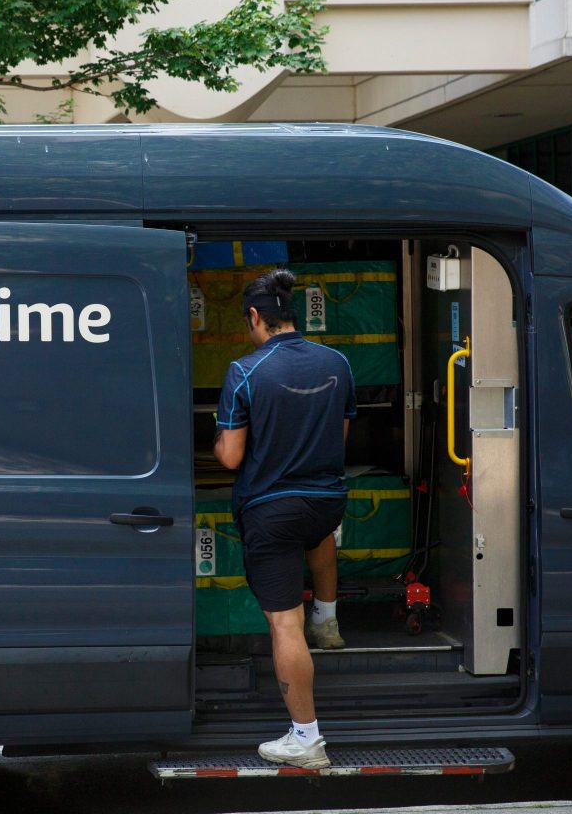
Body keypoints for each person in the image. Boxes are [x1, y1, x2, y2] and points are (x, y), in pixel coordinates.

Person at [213, 268, 355, 769]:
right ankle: (328, 620)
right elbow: (337, 440)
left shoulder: (245, 371)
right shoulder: (338, 362)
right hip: (325, 501)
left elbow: (230, 457)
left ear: (255, 317)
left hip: (272, 511)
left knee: (281, 624)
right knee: (316, 535)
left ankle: (306, 738)